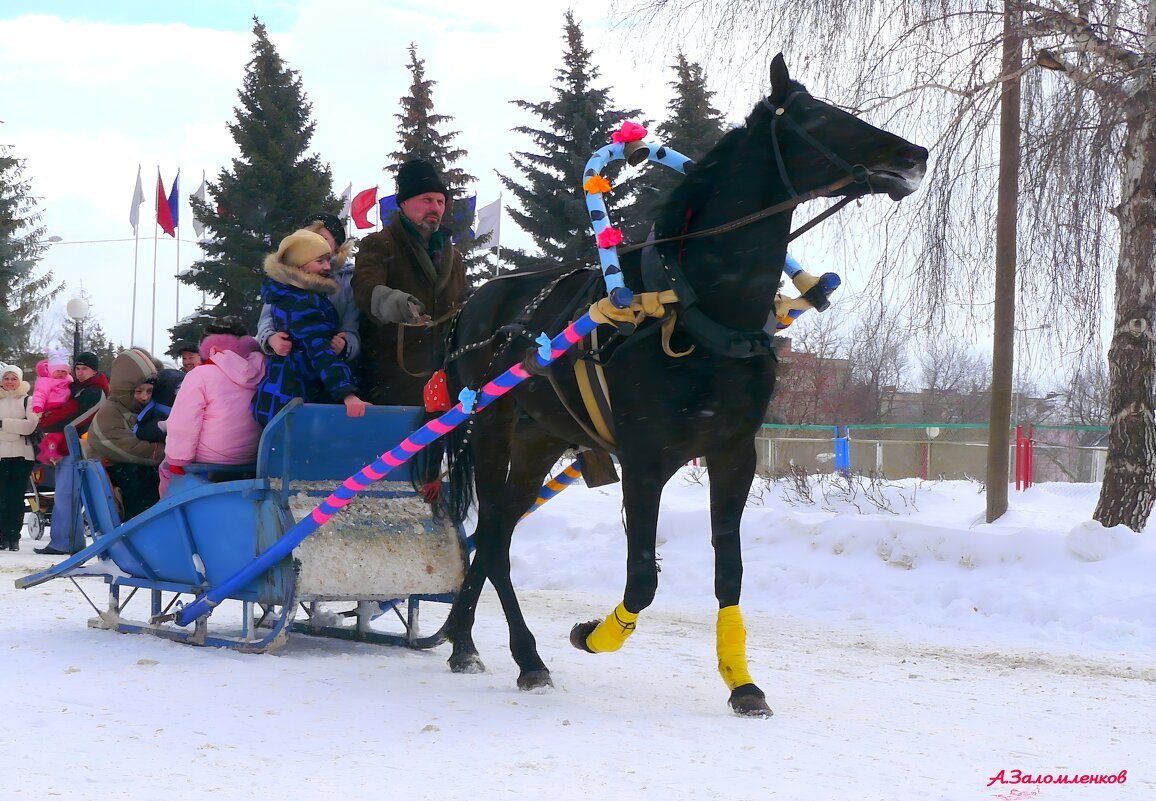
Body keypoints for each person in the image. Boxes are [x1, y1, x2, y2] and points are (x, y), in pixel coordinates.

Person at [351, 159, 467, 406]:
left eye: (440, 201)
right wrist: (396, 302)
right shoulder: (380, 243)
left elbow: (463, 300)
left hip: (444, 376)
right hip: (391, 378)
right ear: (404, 203)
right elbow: (364, 288)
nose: (435, 207)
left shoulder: (453, 256)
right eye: (427, 200)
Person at [251, 229, 370, 427]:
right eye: (320, 261)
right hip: (295, 398)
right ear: (299, 265)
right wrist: (347, 394)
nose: (327, 267)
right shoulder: (299, 301)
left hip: (291, 396)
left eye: (328, 260)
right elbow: (319, 351)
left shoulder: (301, 294)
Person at [159, 333, 265, 496]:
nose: (187, 361)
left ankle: (169, 512)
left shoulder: (201, 375)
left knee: (166, 468)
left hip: (213, 456)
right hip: (253, 455)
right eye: (184, 358)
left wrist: (177, 461)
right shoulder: (263, 371)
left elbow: (184, 423)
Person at [258, 212, 360, 365]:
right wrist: (270, 338)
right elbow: (267, 317)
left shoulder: (347, 279)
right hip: (290, 367)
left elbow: (353, 325)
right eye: (309, 236)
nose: (315, 242)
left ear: (337, 245)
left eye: (323, 239)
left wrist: (346, 345)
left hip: (330, 364)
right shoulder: (286, 276)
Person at [35, 351, 109, 555]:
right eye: (77, 369)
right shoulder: (83, 388)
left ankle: (64, 542)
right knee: (68, 495)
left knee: (67, 495)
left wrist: (47, 421)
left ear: (94, 370)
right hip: (71, 446)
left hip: (77, 447)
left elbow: (72, 418)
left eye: (85, 368)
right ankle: (69, 541)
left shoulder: (94, 391)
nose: (80, 373)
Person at [86, 348, 164, 521]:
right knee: (145, 479)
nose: (144, 397)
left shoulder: (145, 410)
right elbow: (125, 448)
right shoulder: (110, 412)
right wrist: (162, 452)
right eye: (138, 391)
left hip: (132, 469)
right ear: (124, 389)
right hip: (116, 472)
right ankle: (143, 526)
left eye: (149, 391)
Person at [0, 363, 40, 551]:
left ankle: (13, 537)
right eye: (6, 378)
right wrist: (16, 428)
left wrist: (3, 424)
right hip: (1, 456)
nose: (9, 382)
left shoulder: (28, 400)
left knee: (16, 498)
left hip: (22, 456)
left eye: (13, 378)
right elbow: (22, 427)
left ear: (20, 380)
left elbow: (30, 426)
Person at [29, 352, 74, 464]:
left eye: (63, 371)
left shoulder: (69, 381)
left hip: (63, 408)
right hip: (52, 407)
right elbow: (40, 394)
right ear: (51, 371)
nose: (60, 373)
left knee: (62, 432)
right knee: (56, 432)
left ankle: (47, 451)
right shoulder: (46, 381)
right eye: (58, 371)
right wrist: (37, 406)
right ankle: (50, 452)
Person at [134, 368, 185, 444]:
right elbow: (140, 431)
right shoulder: (155, 410)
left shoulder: (187, 407)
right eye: (178, 388)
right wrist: (161, 426)